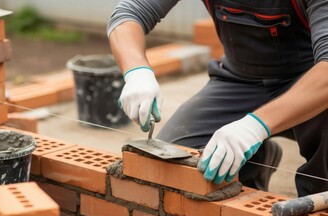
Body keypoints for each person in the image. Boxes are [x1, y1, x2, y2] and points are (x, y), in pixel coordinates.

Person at [107, 0, 328, 197]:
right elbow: (129, 13)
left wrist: (253, 128)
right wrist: (137, 72)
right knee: (170, 168)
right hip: (238, 82)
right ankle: (256, 160)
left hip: (311, 87)